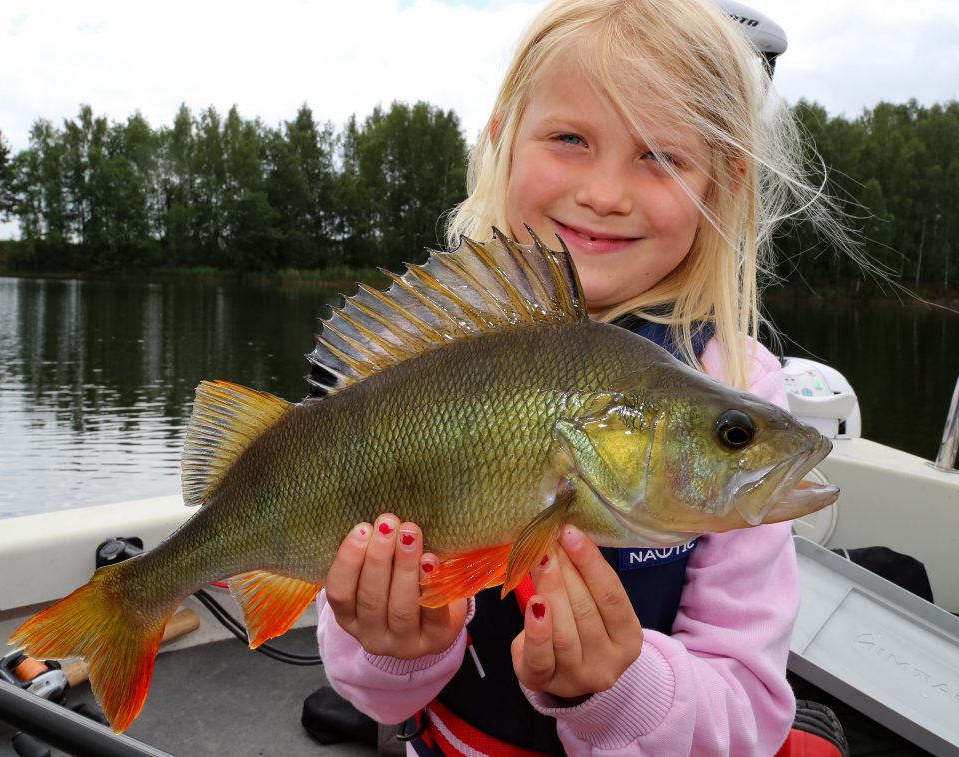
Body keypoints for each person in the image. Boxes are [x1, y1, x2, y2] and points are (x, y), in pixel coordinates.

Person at [316, 0, 843, 753]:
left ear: (721, 186)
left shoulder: (739, 380)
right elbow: (368, 687)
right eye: (570, 139)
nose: (604, 192)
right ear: (502, 141)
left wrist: (621, 688)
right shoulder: (414, 364)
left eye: (660, 156)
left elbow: (750, 719)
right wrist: (397, 642)